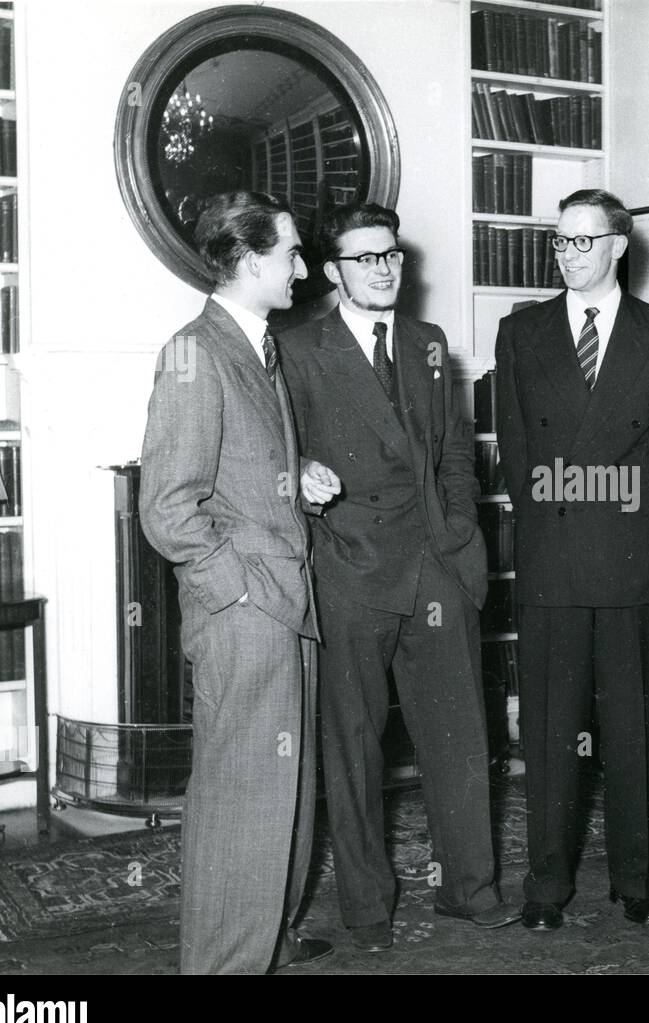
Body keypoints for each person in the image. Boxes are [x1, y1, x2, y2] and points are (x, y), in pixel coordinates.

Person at [281, 202, 519, 953]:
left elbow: (453, 446)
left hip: (437, 568)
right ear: (332, 271)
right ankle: (366, 910)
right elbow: (271, 448)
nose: (384, 269)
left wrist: (462, 537)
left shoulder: (426, 342)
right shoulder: (295, 348)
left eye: (391, 256)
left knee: (459, 735)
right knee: (353, 749)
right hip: (350, 571)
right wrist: (300, 470)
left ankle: (470, 889)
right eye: (365, 258)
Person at [139, 190, 341, 974]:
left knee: (285, 787)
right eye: (292, 252)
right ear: (252, 259)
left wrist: (300, 471)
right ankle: (225, 962)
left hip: (289, 601)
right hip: (250, 610)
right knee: (241, 798)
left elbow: (242, 465)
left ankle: (271, 937)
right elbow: (167, 508)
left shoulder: (257, 344)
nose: (303, 266)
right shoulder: (195, 352)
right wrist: (246, 589)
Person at [495, 188, 649, 930]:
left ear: (620, 245)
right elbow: (515, 452)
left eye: (584, 242)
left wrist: (640, 528)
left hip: (632, 562)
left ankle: (634, 879)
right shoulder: (521, 332)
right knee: (550, 733)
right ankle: (546, 885)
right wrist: (556, 516)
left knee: (634, 729)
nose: (570, 255)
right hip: (552, 560)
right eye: (560, 242)